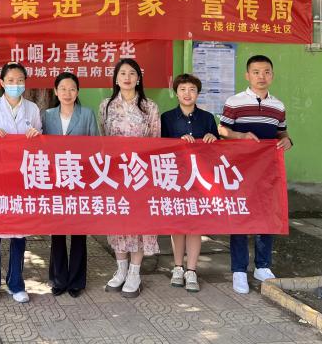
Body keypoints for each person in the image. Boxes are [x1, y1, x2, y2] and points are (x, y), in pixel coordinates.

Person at [218, 54, 293, 295]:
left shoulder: (278, 106)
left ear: (272, 75)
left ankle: (262, 266)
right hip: (239, 171)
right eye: (256, 72)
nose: (262, 76)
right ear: (247, 75)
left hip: (267, 171)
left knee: (266, 215)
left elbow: (282, 132)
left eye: (266, 72)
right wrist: (241, 136)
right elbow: (222, 130)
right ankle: (239, 270)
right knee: (240, 216)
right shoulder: (234, 102)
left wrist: (288, 140)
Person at [0, 62, 41, 305]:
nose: (16, 84)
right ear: (2, 82)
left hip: (22, 177)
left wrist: (36, 136)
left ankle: (16, 284)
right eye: (11, 80)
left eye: (20, 80)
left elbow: (40, 142)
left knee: (19, 234)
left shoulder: (32, 108)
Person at [99, 58, 160, 298]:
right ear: (116, 78)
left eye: (132, 73)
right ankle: (121, 270)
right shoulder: (106, 106)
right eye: (122, 73)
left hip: (140, 173)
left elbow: (155, 140)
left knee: (138, 222)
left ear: (138, 78)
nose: (127, 77)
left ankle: (135, 273)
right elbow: (103, 139)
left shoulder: (149, 107)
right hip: (115, 174)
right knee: (118, 221)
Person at [160, 73, 219, 294]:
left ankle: (192, 270)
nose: (187, 94)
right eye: (183, 89)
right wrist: (178, 143)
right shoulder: (167, 118)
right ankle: (177, 267)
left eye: (192, 90)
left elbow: (218, 151)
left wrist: (212, 139)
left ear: (198, 93)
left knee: (196, 224)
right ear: (176, 93)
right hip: (175, 179)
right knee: (178, 224)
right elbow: (159, 148)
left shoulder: (207, 118)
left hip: (199, 179)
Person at [41, 72, 98, 298]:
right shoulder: (47, 116)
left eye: (72, 89)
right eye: (63, 89)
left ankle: (76, 281)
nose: (67, 93)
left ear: (78, 92)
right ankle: (58, 279)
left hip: (80, 179)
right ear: (55, 92)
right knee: (57, 231)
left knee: (78, 231)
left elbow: (96, 147)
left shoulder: (87, 114)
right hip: (55, 180)